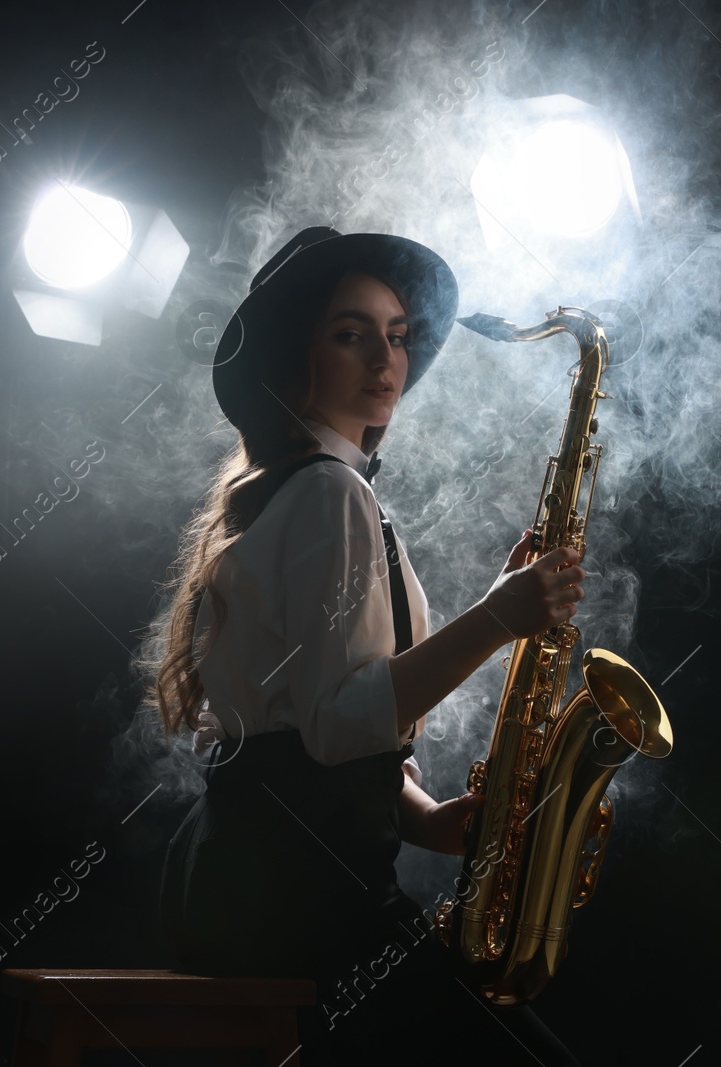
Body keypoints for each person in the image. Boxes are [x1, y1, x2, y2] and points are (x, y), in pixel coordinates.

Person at [145, 227, 586, 1065]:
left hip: (247, 881)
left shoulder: (311, 491)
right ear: (295, 356)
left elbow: (307, 720)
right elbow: (336, 724)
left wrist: (424, 815)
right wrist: (498, 616)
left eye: (396, 334)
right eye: (351, 333)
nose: (386, 357)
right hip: (297, 899)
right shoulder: (329, 494)